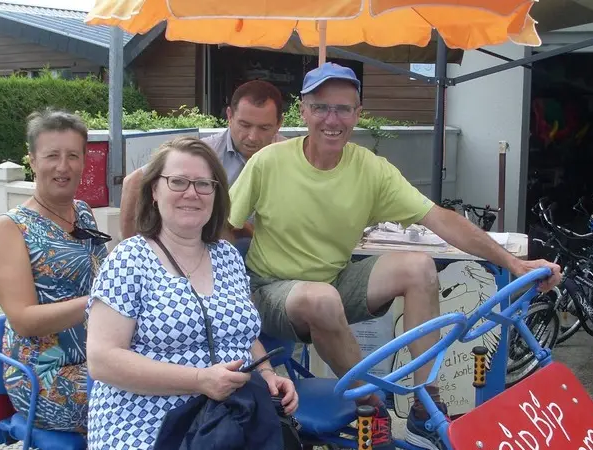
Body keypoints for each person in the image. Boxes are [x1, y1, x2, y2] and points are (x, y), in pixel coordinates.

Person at [227, 63, 563, 450]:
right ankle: (372, 404)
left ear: (358, 113)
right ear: (302, 111)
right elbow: (223, 226)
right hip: (271, 292)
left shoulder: (370, 170)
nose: (332, 119)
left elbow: (441, 219)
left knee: (418, 266)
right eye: (321, 108)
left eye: (343, 108)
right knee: (319, 298)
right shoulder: (269, 163)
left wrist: (517, 264)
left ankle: (425, 401)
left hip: (334, 280)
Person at [86, 136, 298, 449]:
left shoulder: (227, 255)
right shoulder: (130, 259)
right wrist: (199, 380)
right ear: (155, 191)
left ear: (216, 195)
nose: (192, 193)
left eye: (203, 184)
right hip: (146, 424)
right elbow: (102, 360)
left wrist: (267, 373)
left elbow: (239, 330)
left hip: (229, 419)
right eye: (178, 182)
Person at [0, 108, 111, 434]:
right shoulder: (11, 229)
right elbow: (23, 320)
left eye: (72, 155)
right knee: (134, 395)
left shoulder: (83, 213)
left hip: (98, 356)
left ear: (85, 160)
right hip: (44, 371)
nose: (62, 166)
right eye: (51, 155)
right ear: (32, 160)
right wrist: (98, 301)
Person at [119, 79, 287, 239]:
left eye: (264, 128)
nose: (252, 137)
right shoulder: (205, 152)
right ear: (229, 116)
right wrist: (129, 246)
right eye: (245, 125)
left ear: (279, 123)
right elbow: (133, 182)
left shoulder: (293, 157)